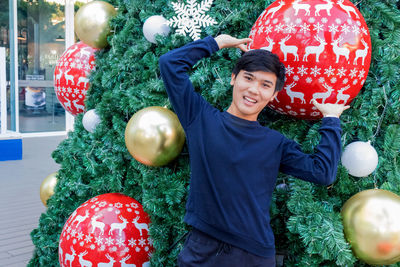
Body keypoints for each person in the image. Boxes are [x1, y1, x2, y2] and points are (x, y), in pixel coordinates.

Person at [159, 34, 350, 267]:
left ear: (273, 95)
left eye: (265, 85)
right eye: (248, 78)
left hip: (252, 255)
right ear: (233, 79)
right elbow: (170, 64)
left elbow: (323, 172)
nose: (253, 90)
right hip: (201, 251)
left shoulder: (275, 143)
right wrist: (217, 42)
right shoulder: (199, 117)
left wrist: (331, 119)